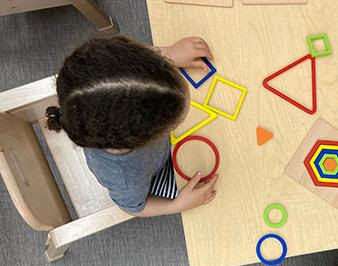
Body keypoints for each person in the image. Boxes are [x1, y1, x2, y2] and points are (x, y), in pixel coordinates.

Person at [45, 35, 217, 216]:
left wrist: (169, 54)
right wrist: (176, 205)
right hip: (154, 172)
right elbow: (134, 207)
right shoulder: (125, 177)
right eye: (175, 121)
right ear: (144, 138)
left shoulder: (112, 68)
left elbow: (132, 58)